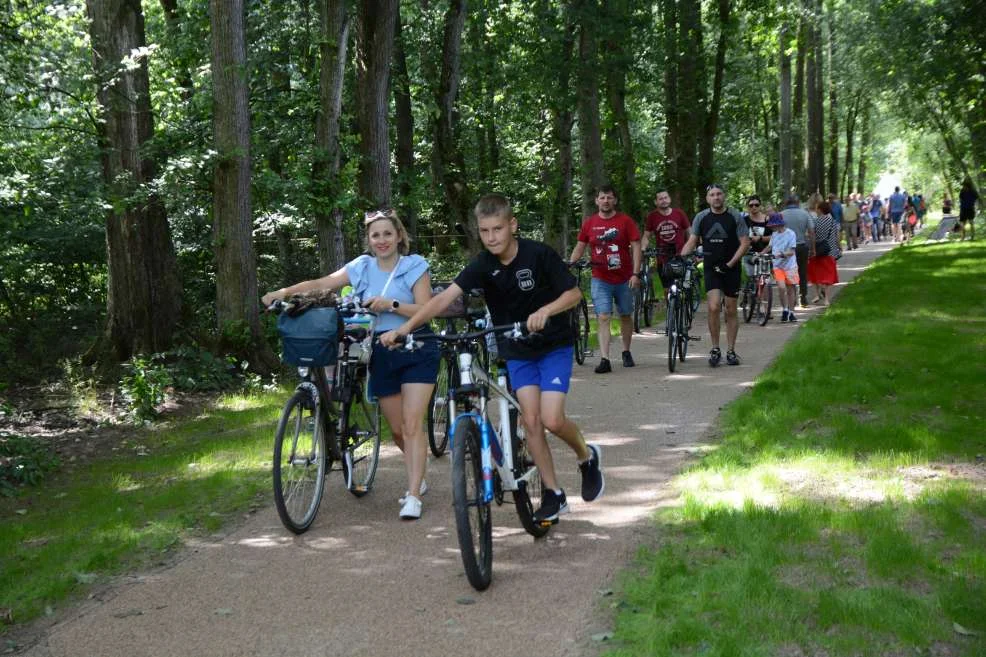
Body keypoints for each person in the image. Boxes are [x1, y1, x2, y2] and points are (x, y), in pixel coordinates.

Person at [380, 193, 604, 525]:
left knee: (552, 419)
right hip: (516, 349)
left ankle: (586, 456)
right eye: (484, 231)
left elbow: (573, 294)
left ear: (512, 225)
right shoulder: (483, 265)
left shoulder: (538, 254)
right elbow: (444, 300)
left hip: (553, 345)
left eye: (497, 229)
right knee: (530, 421)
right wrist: (406, 328)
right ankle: (555, 495)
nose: (491, 237)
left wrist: (545, 310)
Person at [262, 209, 439, 521]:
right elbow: (323, 282)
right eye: (375, 235)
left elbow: (426, 309)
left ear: (399, 236)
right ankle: (417, 472)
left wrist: (392, 305)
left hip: (416, 344)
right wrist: (284, 292)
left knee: (412, 424)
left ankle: (412, 495)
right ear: (368, 240)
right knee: (398, 430)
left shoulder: (414, 265)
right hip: (380, 351)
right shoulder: (361, 266)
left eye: (387, 234)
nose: (382, 240)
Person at [568, 185, 641, 374]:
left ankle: (626, 351)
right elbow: (580, 246)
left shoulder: (625, 221)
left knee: (625, 314)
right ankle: (605, 358)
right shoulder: (590, 223)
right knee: (603, 316)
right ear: (597, 201)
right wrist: (569, 264)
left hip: (624, 277)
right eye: (602, 198)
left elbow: (636, 247)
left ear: (614, 200)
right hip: (600, 277)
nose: (606, 201)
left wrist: (636, 273)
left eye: (609, 198)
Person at [680, 183, 750, 367]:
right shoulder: (702, 217)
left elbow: (745, 242)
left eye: (719, 194)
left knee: (731, 309)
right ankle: (715, 348)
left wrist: (731, 263)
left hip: (731, 267)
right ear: (707, 198)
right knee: (713, 307)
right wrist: (681, 258)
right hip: (711, 267)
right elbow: (693, 240)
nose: (716, 197)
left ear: (724, 196)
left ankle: (731, 350)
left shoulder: (734, 216)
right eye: (712, 194)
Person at [641, 188, 691, 302]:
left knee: (682, 287)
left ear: (669, 199)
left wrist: (691, 248)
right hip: (662, 257)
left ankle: (683, 305)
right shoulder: (652, 217)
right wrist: (643, 249)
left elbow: (690, 232)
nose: (663, 200)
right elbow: (646, 236)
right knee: (667, 289)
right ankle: (671, 313)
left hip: (680, 254)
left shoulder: (679, 213)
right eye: (660, 199)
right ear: (656, 202)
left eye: (665, 197)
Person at [780, 193, 815, 307]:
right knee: (802, 272)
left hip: (786, 249)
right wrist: (813, 248)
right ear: (798, 203)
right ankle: (802, 297)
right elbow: (811, 232)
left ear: (786, 203)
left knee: (789, 272)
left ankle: (792, 298)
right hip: (801, 246)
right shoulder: (805, 214)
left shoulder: (781, 215)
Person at [807, 200, 840, 305]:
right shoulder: (833, 222)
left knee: (815, 273)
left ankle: (817, 294)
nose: (816, 210)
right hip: (829, 250)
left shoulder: (815, 221)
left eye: (817, 208)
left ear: (820, 210)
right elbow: (836, 236)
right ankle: (826, 299)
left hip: (817, 250)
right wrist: (839, 247)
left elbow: (811, 235)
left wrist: (812, 249)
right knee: (827, 275)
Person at [768, 213, 800, 322]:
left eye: (773, 225)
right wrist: (761, 253)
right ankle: (785, 309)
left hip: (790, 266)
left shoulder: (791, 234)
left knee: (791, 289)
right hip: (778, 266)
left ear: (779, 224)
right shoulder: (774, 234)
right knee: (781, 288)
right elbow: (770, 246)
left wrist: (781, 254)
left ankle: (791, 312)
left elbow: (791, 251)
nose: (772, 227)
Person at [741, 195, 772, 277]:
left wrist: (760, 238)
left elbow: (775, 238)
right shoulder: (744, 220)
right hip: (748, 254)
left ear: (760, 206)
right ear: (748, 207)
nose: (754, 207)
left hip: (764, 254)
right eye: (751, 205)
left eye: (756, 205)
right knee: (751, 281)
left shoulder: (768, 219)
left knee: (764, 282)